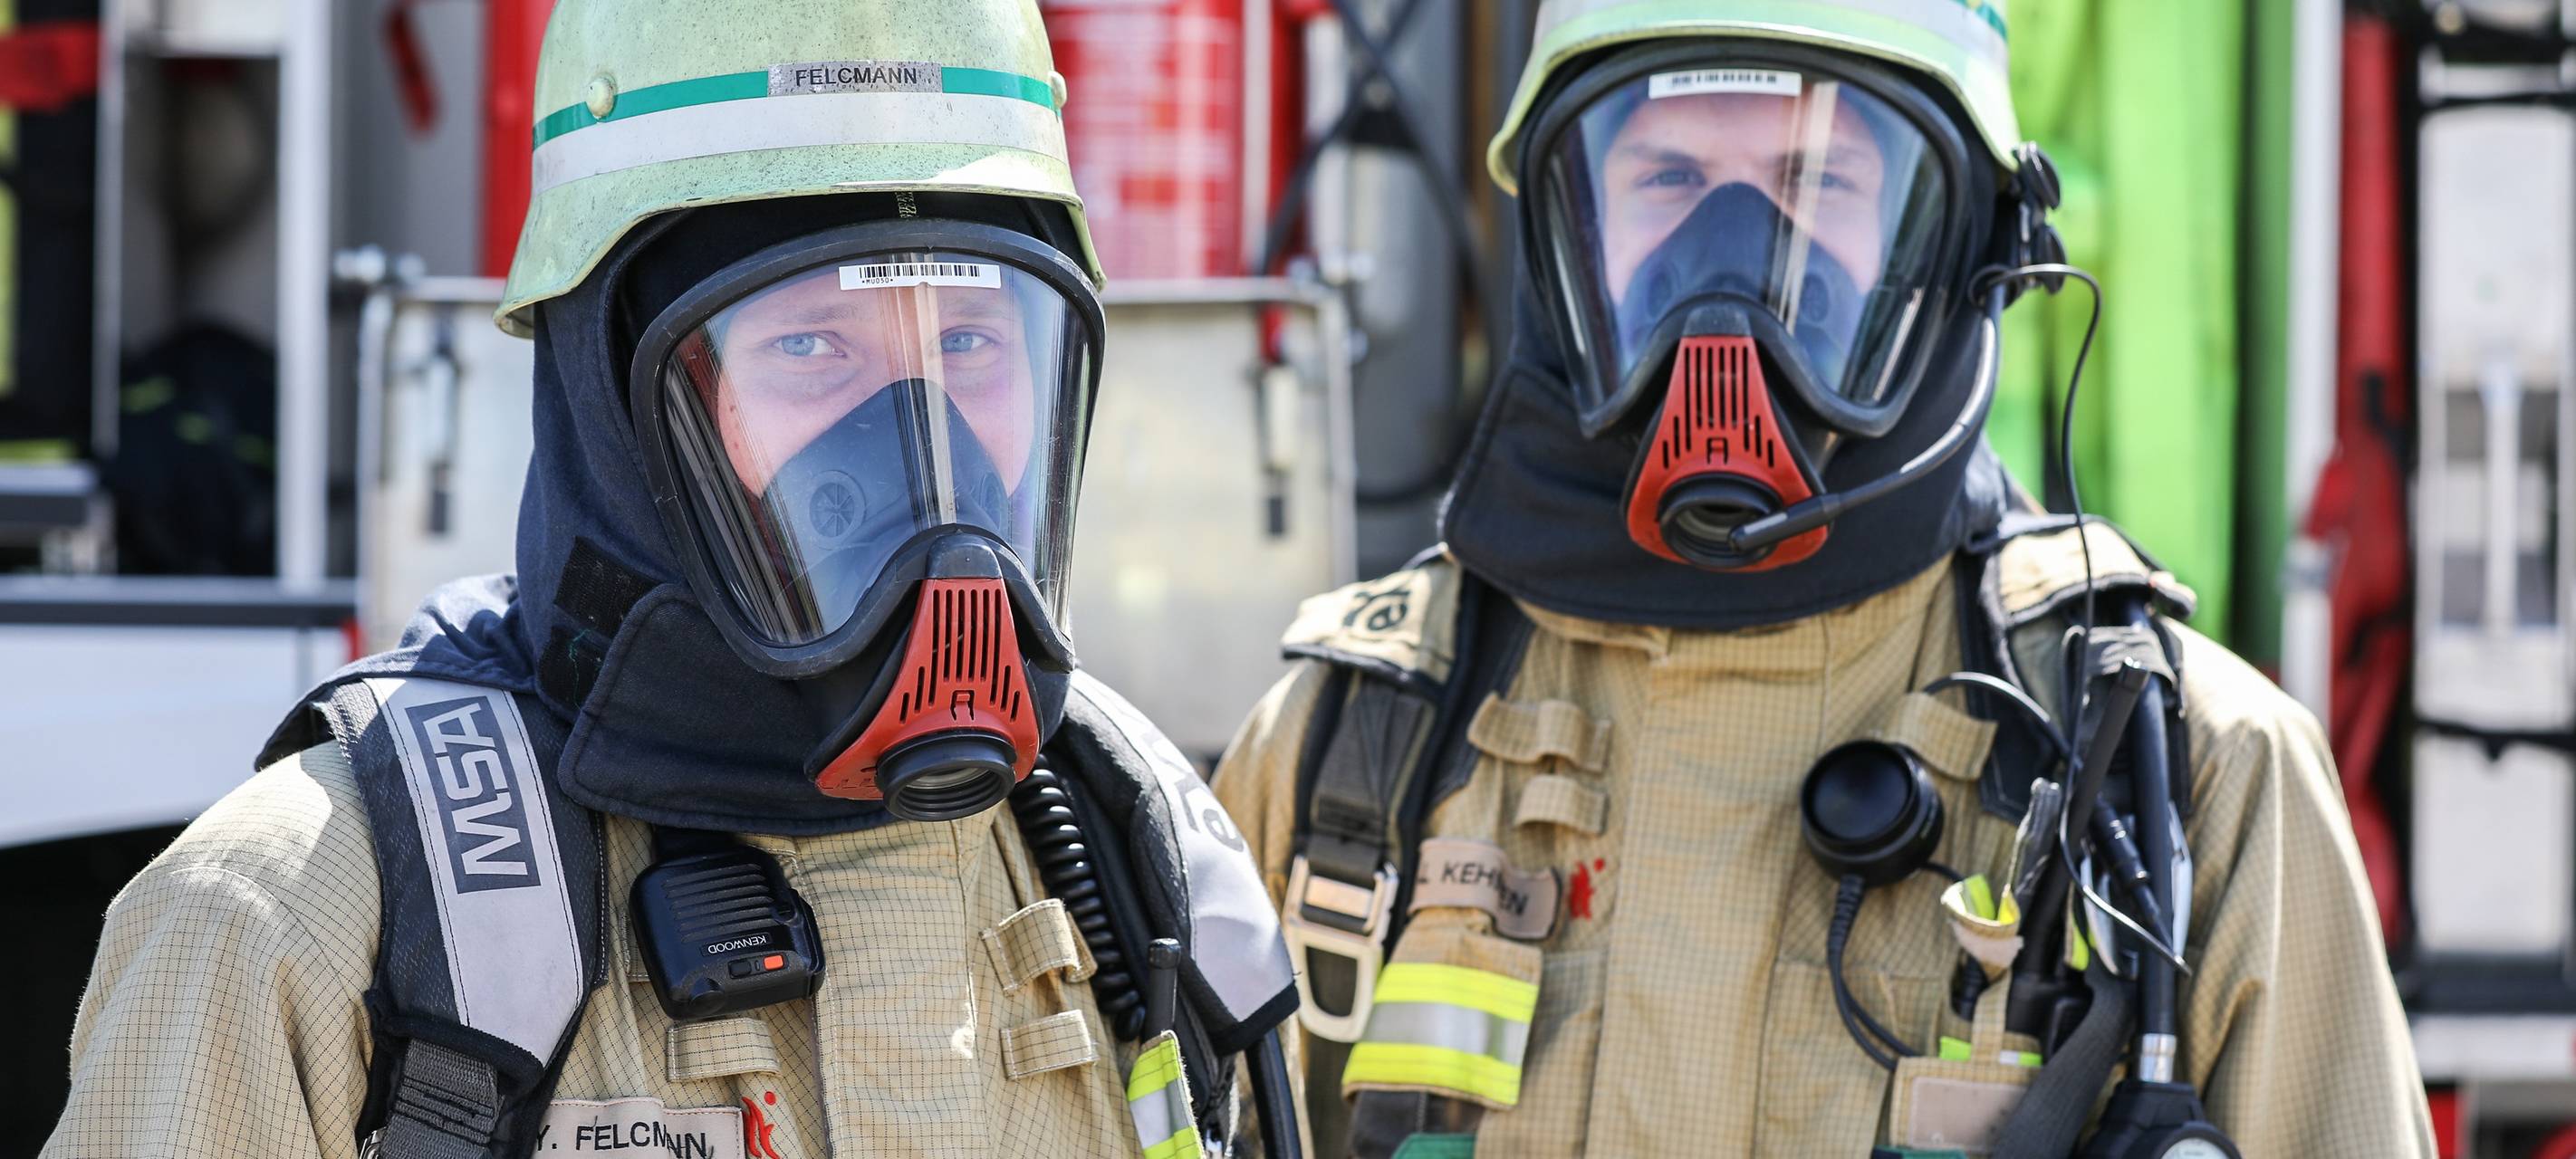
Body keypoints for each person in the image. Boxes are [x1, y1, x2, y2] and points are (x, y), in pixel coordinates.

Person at [42, 3, 1298, 1157]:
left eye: (972, 338)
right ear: (616, 410)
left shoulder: (1155, 872)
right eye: (811, 345)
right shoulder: (296, 923)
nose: (927, 452)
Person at [1211, 1, 2437, 1155]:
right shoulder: (1341, 750)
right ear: (1562, 239)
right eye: (1669, 179)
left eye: (1817, 182)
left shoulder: (2187, 780)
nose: (1733, 266)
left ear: (1970, 240)